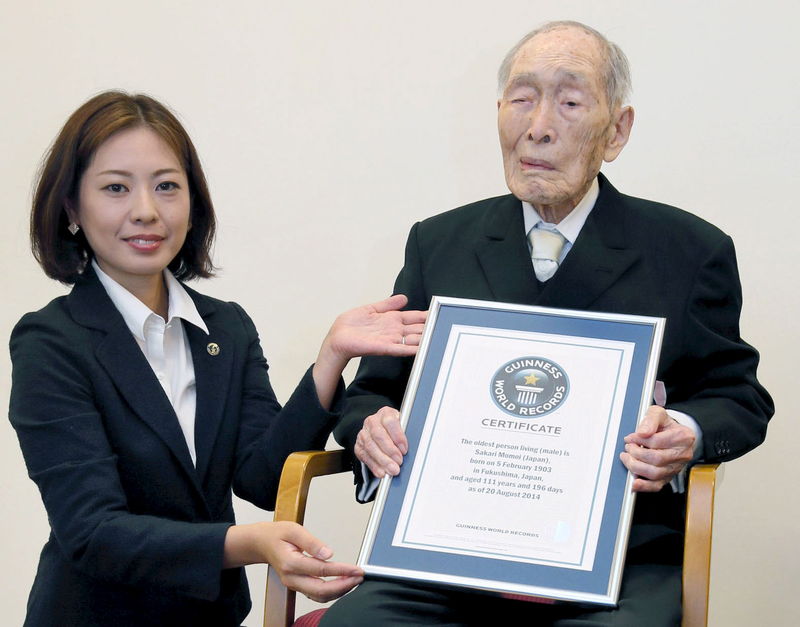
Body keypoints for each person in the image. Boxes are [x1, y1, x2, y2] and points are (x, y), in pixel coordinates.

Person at [322, 20, 773, 626]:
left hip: (619, 565)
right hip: (447, 560)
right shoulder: (440, 243)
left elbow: (738, 397)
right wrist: (368, 427)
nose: (538, 125)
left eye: (568, 100)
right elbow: (374, 389)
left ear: (617, 130)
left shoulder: (690, 251)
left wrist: (686, 434)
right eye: (522, 97)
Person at [8, 91, 426, 626]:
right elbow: (93, 532)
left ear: (192, 201)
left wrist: (332, 357)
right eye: (116, 188)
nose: (146, 211)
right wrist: (251, 543)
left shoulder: (224, 327)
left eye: (167, 186)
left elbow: (263, 478)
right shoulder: (50, 340)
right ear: (71, 208)